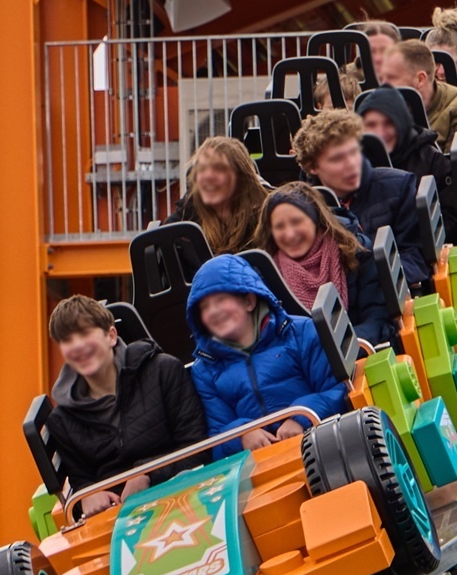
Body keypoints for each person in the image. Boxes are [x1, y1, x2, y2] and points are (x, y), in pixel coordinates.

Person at [45, 296, 208, 516]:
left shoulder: (163, 371)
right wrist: (87, 495)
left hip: (186, 497)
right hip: (119, 518)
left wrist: (147, 475)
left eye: (85, 334)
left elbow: (198, 448)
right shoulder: (62, 421)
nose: (78, 346)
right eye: (67, 340)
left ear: (111, 336)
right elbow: (82, 480)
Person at [186, 255, 347, 460]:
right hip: (261, 466)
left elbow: (337, 389)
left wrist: (301, 418)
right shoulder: (205, 369)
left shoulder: (300, 332)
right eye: (204, 307)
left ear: (249, 301)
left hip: (322, 447)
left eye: (220, 300)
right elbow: (216, 436)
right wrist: (242, 435)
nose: (213, 311)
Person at [292, 108, 428, 287]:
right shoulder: (298, 208)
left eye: (354, 152)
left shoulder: (399, 186)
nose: (351, 164)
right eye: (337, 158)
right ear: (312, 167)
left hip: (391, 296)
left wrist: (374, 283)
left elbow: (416, 258)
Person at [253, 182, 396, 345]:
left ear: (316, 220)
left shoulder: (356, 252)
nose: (290, 234)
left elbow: (376, 318)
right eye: (279, 226)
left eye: (297, 222)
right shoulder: (266, 275)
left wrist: (340, 350)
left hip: (360, 351)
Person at [356, 86, 457, 242]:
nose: (380, 133)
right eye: (371, 125)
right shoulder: (353, 164)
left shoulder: (430, 160)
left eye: (388, 123)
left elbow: (450, 217)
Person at [380, 40, 457, 189]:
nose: (384, 85)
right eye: (382, 78)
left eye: (391, 78)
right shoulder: (379, 109)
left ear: (420, 79)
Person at [164, 136, 268, 254]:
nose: (208, 176)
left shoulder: (267, 215)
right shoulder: (188, 211)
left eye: (219, 168)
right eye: (202, 168)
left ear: (240, 178)